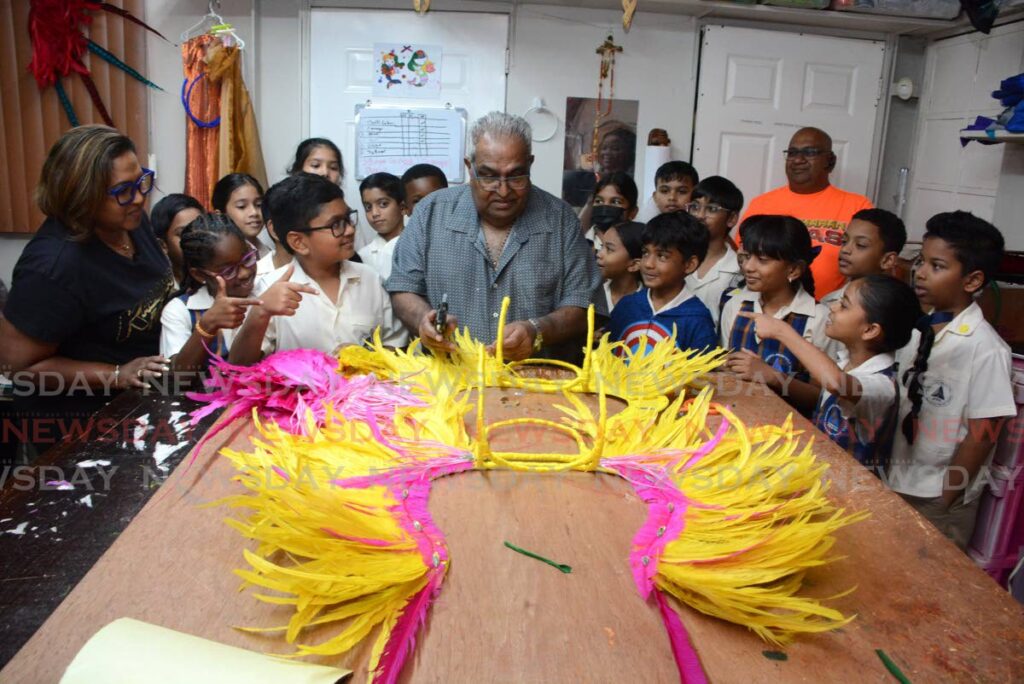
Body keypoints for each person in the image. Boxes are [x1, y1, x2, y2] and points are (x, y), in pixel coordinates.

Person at [0, 125, 173, 453]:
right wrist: (118, 373)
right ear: (82, 195)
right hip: (79, 430)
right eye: (123, 190)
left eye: (141, 181)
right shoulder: (53, 267)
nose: (138, 197)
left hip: (137, 408)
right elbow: (17, 367)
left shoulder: (130, 221)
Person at [388, 111, 604, 361]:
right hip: (448, 382)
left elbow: (584, 307)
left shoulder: (561, 220)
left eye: (516, 175)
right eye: (489, 176)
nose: (503, 190)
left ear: (530, 165)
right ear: (470, 169)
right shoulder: (430, 213)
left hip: (534, 384)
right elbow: (403, 289)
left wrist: (536, 330)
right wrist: (422, 320)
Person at [889, 211, 1015, 550]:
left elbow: (982, 434)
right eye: (920, 261)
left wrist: (946, 500)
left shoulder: (985, 348)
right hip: (899, 478)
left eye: (937, 266)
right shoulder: (920, 327)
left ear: (972, 281)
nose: (921, 273)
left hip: (937, 497)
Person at [737, 275, 920, 471]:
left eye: (844, 305)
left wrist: (782, 331)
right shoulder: (846, 364)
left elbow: (836, 383)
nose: (832, 307)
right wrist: (772, 375)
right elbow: (821, 400)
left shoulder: (882, 386)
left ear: (870, 330)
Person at [229, 173, 407, 364]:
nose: (350, 230)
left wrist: (363, 358)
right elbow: (239, 365)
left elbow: (397, 346)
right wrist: (260, 314)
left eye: (348, 218)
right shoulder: (267, 288)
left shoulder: (370, 279)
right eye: (336, 225)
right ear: (299, 242)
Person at [741, 127, 872, 300]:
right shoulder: (761, 204)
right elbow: (743, 257)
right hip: (766, 306)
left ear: (830, 161)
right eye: (792, 153)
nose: (798, 160)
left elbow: (873, 265)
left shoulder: (858, 206)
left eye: (809, 152)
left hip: (834, 312)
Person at [720, 215, 828, 405]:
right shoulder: (735, 305)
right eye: (747, 257)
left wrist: (771, 376)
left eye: (762, 260)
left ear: (793, 270)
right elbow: (724, 370)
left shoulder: (818, 318)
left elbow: (822, 397)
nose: (748, 267)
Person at [159, 213, 261, 382]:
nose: (244, 273)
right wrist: (208, 325)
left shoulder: (266, 292)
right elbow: (177, 379)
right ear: (199, 274)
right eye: (228, 271)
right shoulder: (180, 311)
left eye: (248, 258)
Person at [608, 212, 717, 356]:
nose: (648, 264)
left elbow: (702, 376)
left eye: (662, 256)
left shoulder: (697, 321)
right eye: (645, 253)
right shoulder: (627, 306)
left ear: (690, 265)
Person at [684, 176, 744, 326]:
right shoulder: (676, 259)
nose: (700, 216)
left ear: (731, 218)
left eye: (712, 209)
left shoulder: (739, 270)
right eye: (695, 207)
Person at [211, 173, 271, 258]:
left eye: (258, 204)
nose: (254, 212)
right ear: (220, 215)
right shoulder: (217, 258)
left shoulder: (271, 252)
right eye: (241, 206)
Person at [358, 172, 406, 280]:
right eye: (368, 207)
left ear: (402, 207)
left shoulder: (418, 249)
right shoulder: (361, 256)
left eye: (383, 204)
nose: (374, 213)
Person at [150, 193, 203, 286]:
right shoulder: (154, 292)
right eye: (184, 233)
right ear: (162, 245)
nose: (196, 238)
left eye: (201, 229)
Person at [596, 221, 643, 312]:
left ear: (634, 265)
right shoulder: (592, 295)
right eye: (602, 246)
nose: (599, 254)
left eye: (609, 249)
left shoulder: (647, 303)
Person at [588, 171, 639, 244]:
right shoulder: (576, 243)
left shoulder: (642, 247)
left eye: (615, 202)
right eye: (599, 201)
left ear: (633, 212)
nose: (605, 207)